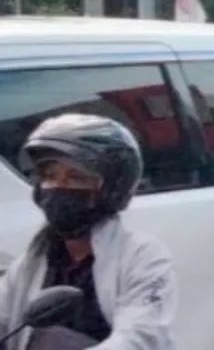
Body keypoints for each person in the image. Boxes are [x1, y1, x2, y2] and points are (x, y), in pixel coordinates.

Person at [0, 114, 177, 350]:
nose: (59, 188)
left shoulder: (142, 257)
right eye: (50, 176)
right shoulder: (34, 260)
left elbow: (141, 336)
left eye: (76, 178)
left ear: (111, 189)